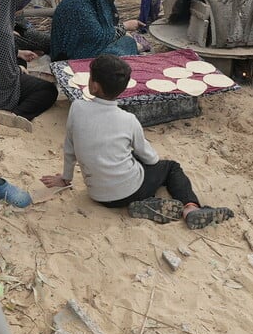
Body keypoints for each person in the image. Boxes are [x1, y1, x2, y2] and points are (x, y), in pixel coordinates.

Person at [41, 54, 234, 230]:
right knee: (171, 168)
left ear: (94, 86)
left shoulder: (77, 108)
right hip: (129, 190)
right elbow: (151, 159)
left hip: (98, 195)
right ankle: (190, 209)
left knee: (121, 152)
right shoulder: (128, 120)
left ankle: (148, 203)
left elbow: (69, 148)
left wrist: (66, 178)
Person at [0, 0, 58, 121]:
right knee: (49, 90)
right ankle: (17, 115)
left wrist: (18, 53)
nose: (21, 10)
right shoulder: (1, 31)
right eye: (21, 5)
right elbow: (3, 76)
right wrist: (18, 70)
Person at [49, 0, 142, 60]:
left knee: (126, 42)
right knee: (127, 44)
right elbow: (99, 38)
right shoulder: (79, 9)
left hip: (80, 48)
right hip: (73, 56)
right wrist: (125, 26)